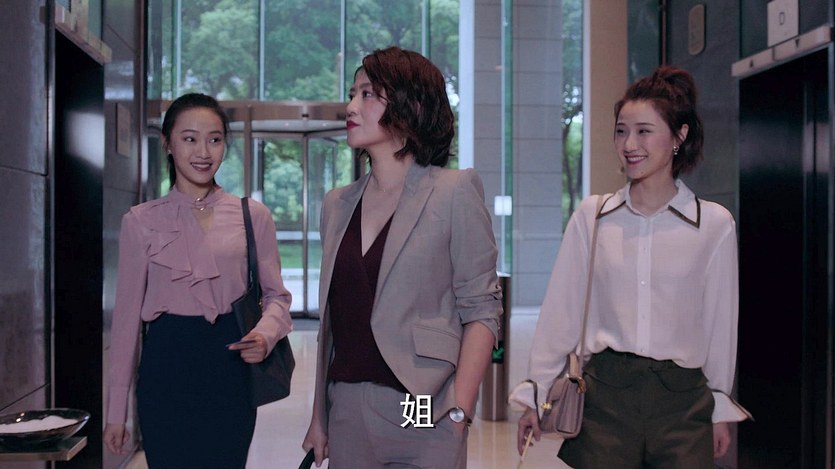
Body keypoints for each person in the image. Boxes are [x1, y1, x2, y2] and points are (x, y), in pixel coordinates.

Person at [511, 66, 751, 467]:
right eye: (621, 131)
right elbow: (561, 314)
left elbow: (719, 325)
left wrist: (719, 409)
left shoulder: (713, 224)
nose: (629, 144)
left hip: (684, 405)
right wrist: (535, 395)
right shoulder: (593, 217)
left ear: (679, 136)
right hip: (605, 400)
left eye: (644, 131)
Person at [302, 46, 503, 468]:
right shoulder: (337, 204)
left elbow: (482, 309)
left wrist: (458, 411)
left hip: (421, 404)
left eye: (367, 94)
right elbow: (333, 324)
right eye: (352, 94)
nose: (351, 106)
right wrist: (320, 416)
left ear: (411, 106)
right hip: (348, 403)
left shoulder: (453, 191)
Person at [102, 93, 293, 468]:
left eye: (215, 139)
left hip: (230, 366)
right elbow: (125, 325)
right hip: (165, 367)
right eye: (189, 139)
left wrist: (264, 335)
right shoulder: (140, 221)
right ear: (167, 143)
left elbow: (277, 297)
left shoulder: (253, 215)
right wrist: (116, 411)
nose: (203, 152)